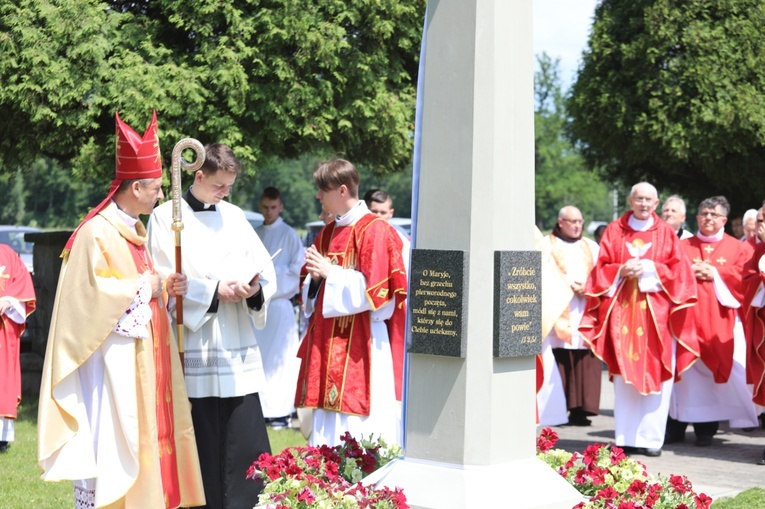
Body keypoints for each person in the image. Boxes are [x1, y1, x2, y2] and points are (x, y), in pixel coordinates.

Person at [38, 111, 205, 508]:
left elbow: (139, 285)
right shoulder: (96, 231)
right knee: (118, 439)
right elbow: (86, 300)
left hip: (141, 360)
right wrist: (140, 287)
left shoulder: (132, 228)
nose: (162, 196)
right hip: (111, 368)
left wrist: (162, 286)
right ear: (135, 187)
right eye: (156, 189)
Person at [148, 143, 277, 508]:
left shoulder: (235, 216)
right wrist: (215, 291)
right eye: (220, 185)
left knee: (243, 436)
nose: (225, 193)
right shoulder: (164, 218)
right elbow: (163, 280)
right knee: (201, 435)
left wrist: (253, 290)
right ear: (199, 175)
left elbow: (263, 269)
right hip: (197, 346)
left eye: (230, 187)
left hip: (235, 346)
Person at [580, 182, 698, 457]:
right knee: (624, 377)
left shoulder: (666, 234)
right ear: (631, 201)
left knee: (657, 375)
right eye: (639, 199)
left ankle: (652, 439)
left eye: (649, 200)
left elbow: (681, 274)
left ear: (656, 204)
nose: (644, 204)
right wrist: (620, 270)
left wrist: (651, 269)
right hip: (624, 313)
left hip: (657, 319)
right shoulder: (614, 231)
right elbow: (600, 270)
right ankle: (625, 437)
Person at [296, 158, 407, 447]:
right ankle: (327, 478)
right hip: (328, 341)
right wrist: (317, 279)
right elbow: (311, 288)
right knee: (328, 427)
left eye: (323, 190)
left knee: (362, 430)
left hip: (365, 341)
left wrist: (329, 272)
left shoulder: (376, 230)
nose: (318, 196)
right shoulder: (328, 232)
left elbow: (378, 295)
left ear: (342, 190)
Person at [668, 196, 758, 446]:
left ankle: (706, 429)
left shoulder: (738, 248)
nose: (708, 218)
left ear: (724, 220)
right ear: (697, 218)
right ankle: (675, 426)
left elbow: (745, 281)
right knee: (683, 376)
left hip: (721, 322)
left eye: (713, 215)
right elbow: (670, 273)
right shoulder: (682, 245)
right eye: (704, 214)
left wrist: (715, 273)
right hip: (685, 323)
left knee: (708, 376)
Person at [542, 206, 601, 426]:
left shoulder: (591, 247)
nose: (577, 226)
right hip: (558, 311)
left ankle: (581, 410)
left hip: (585, 308)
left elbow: (603, 276)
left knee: (584, 358)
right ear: (560, 222)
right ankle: (559, 407)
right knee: (561, 356)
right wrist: (565, 284)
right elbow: (541, 273)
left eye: (580, 222)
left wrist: (589, 287)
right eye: (572, 221)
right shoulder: (547, 245)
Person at [254, 186, 305, 429]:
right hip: (256, 306)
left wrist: (270, 278)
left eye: (273, 207)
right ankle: (259, 409)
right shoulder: (254, 233)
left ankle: (280, 411)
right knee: (259, 359)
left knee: (281, 359)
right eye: (265, 207)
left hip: (280, 305)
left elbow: (297, 271)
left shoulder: (289, 235)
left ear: (281, 207)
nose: (269, 212)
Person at [0, 245, 35, 453]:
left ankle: (1, 438)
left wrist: (8, 300)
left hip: (3, 330)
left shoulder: (7, 254)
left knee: (3, 381)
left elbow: (23, 284)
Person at [363, 188, 411, 274]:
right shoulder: (359, 235)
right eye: (374, 211)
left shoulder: (400, 239)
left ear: (391, 213)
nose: (378, 216)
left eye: (383, 213)